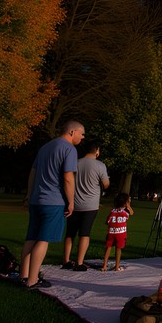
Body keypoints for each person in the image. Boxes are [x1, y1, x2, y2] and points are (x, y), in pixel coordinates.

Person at [16, 120, 85, 289]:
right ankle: (33, 280)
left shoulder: (45, 147)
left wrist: (29, 195)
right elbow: (68, 178)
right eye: (82, 133)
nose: (83, 137)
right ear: (72, 132)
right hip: (53, 201)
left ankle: (23, 275)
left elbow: (33, 172)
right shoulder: (69, 149)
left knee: (31, 238)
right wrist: (71, 202)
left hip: (36, 200)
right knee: (43, 239)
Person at [61, 141, 110, 271]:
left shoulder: (75, 163)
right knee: (84, 234)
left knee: (70, 233)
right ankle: (79, 262)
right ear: (97, 151)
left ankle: (66, 261)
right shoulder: (100, 165)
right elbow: (106, 184)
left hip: (73, 203)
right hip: (90, 205)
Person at [100, 192, 133, 272]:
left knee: (108, 248)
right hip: (121, 233)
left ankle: (104, 266)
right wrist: (128, 206)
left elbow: (107, 221)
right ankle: (117, 267)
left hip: (111, 232)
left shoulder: (113, 211)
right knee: (118, 249)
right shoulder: (125, 213)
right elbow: (131, 213)